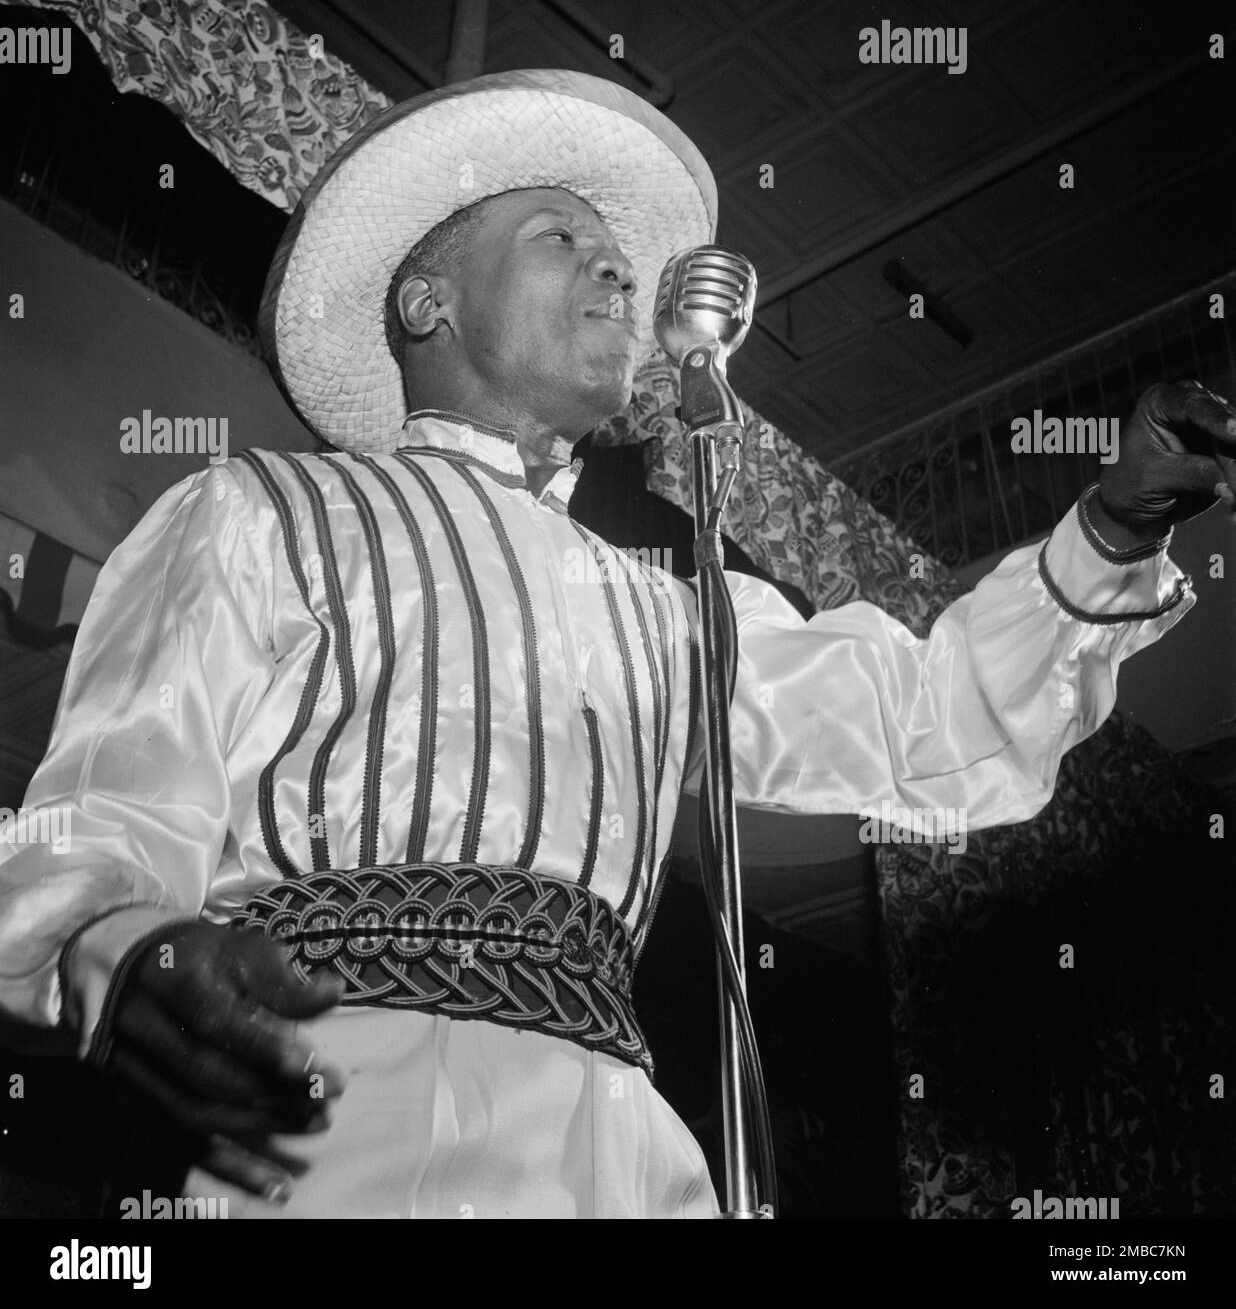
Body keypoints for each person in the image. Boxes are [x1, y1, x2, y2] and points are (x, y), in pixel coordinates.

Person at [0, 69, 1231, 1219]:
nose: (616, 276)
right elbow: (97, 824)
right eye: (564, 241)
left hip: (628, 1161)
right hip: (336, 1124)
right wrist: (130, 945)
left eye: (621, 262)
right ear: (424, 300)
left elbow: (934, 729)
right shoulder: (260, 511)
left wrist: (1110, 529)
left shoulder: (663, 606)